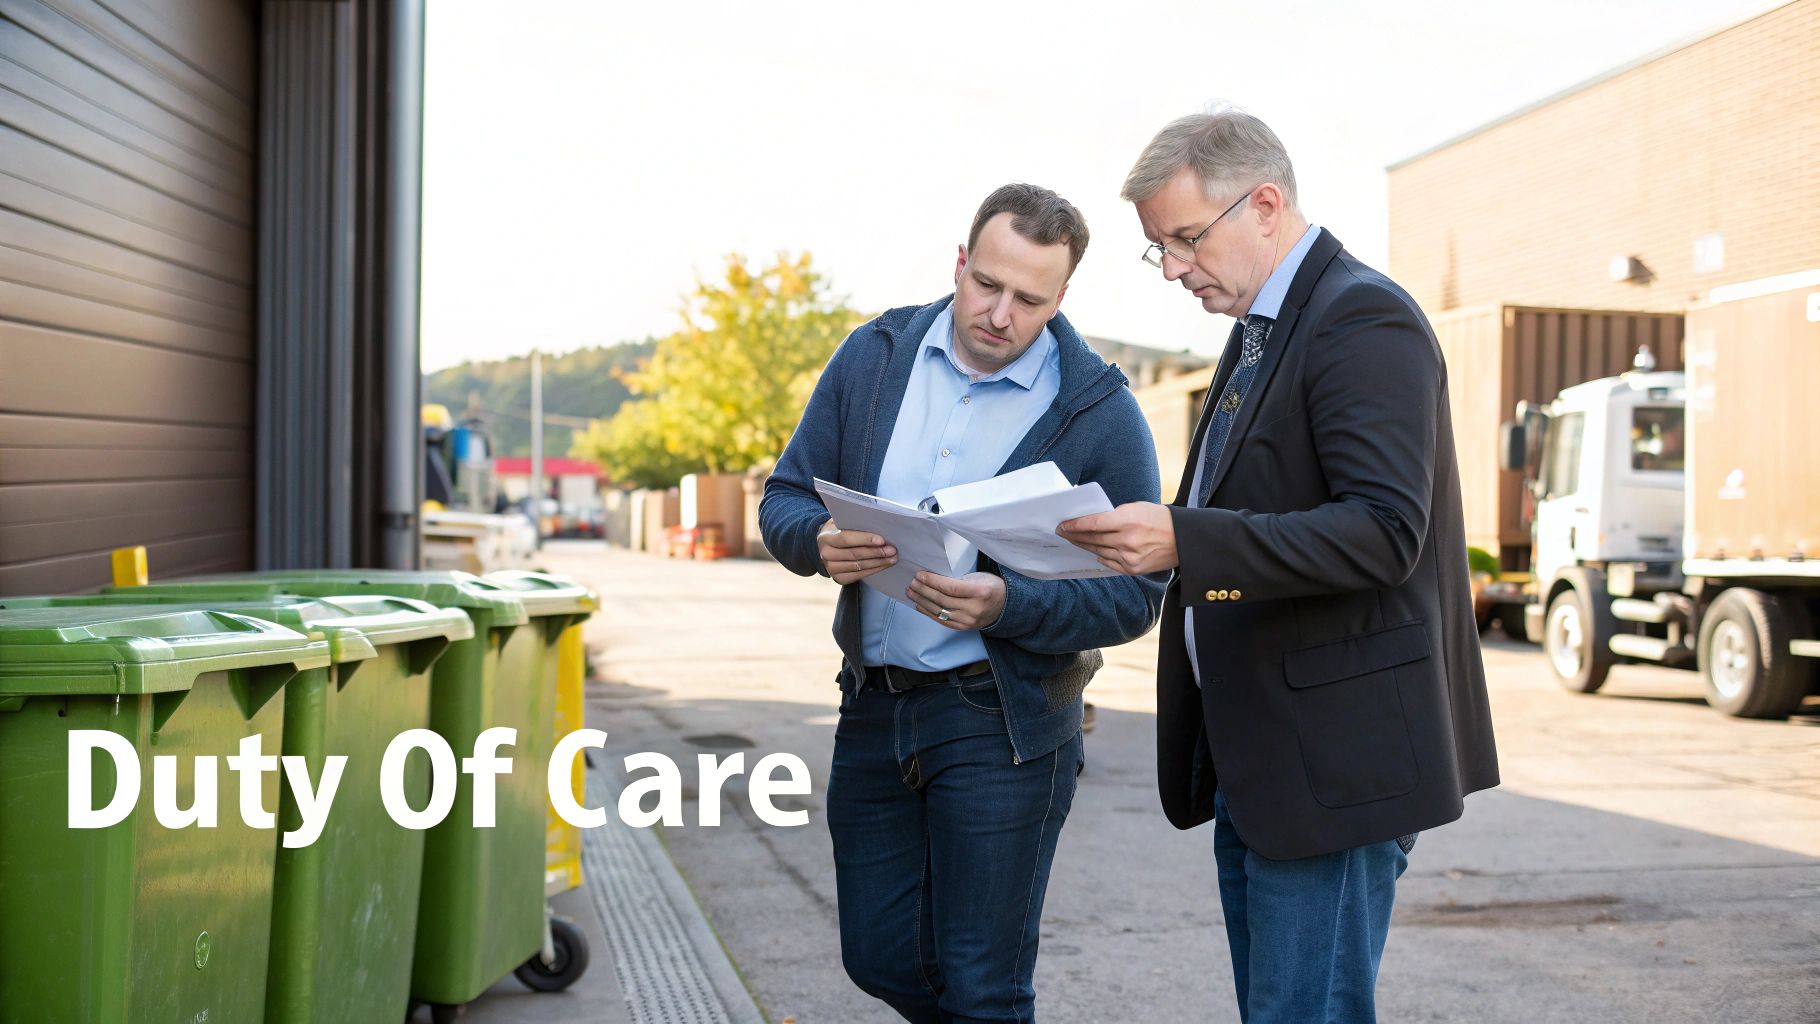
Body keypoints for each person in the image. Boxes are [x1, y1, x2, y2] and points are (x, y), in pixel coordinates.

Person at [1058, 110, 1500, 1023]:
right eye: (1160, 250)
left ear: (1266, 204)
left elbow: (1383, 532)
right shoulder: (1263, 326)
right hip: (1268, 761)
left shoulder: (1360, 318)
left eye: (1184, 239)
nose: (1174, 268)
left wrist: (1187, 539)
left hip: (1335, 763)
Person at [760, 183, 1165, 1024]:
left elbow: (1136, 595)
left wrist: (1006, 605)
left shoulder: (1099, 411)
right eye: (987, 284)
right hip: (874, 704)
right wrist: (817, 542)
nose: (998, 313)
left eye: (1029, 299)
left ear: (1061, 299)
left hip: (1001, 724)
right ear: (960, 263)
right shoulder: (872, 357)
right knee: (877, 956)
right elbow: (785, 498)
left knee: (985, 982)